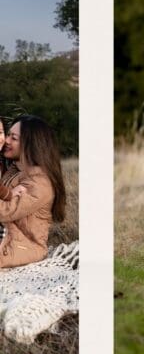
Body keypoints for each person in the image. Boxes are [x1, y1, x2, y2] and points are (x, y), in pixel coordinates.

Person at [0, 115, 66, 268]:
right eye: (7, 134)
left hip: (22, 246)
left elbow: (5, 211)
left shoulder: (40, 181)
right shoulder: (14, 169)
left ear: (30, 144)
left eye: (13, 138)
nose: (6, 141)